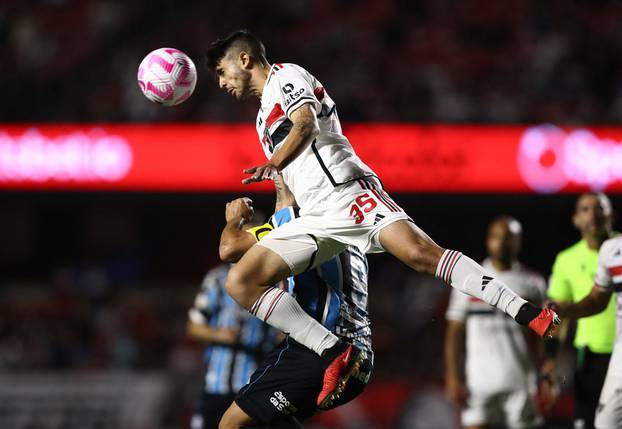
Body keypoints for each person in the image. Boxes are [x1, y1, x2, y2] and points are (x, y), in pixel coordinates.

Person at [204, 29, 558, 408]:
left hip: (348, 192)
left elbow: (305, 125)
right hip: (314, 216)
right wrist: (280, 208)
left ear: (244, 60)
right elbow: (287, 185)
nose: (222, 83)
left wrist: (273, 163)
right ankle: (332, 352)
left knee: (422, 254)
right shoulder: (261, 122)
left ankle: (526, 310)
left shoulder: (286, 76)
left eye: (223, 72)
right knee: (241, 282)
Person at [217, 177, 374, 429]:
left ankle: (332, 349)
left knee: (232, 424)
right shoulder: (351, 227)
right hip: (360, 357)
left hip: (319, 352)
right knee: (271, 421)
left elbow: (228, 249)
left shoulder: (295, 221)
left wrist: (234, 220)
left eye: (280, 181)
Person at [445, 216, 546, 429]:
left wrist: (545, 372)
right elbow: (455, 331)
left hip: (520, 380)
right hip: (478, 382)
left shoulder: (533, 283)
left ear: (518, 242)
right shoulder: (468, 279)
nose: (501, 242)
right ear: (488, 240)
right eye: (496, 237)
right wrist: (453, 376)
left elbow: (543, 334)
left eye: (508, 237)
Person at [544, 193, 617, 429]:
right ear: (576, 219)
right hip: (590, 357)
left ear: (611, 215)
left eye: (599, 208)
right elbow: (557, 315)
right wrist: (550, 362)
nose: (593, 214)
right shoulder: (566, 260)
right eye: (585, 209)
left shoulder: (619, 249)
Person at [187, 263, 279, 429]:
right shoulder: (217, 279)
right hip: (217, 386)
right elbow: (193, 327)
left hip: (256, 387)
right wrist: (219, 335)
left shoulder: (274, 280)